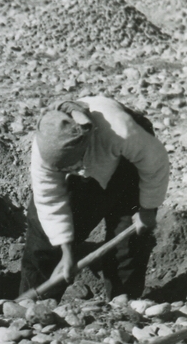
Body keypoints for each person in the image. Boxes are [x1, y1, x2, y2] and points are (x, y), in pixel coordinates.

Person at [20, 97, 169, 300]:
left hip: (127, 164)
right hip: (86, 161)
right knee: (43, 235)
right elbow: (48, 198)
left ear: (84, 150)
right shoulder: (45, 145)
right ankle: (34, 306)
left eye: (70, 166)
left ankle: (122, 303)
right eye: (61, 169)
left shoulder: (120, 131)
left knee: (127, 237)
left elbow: (155, 163)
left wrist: (147, 209)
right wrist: (66, 251)